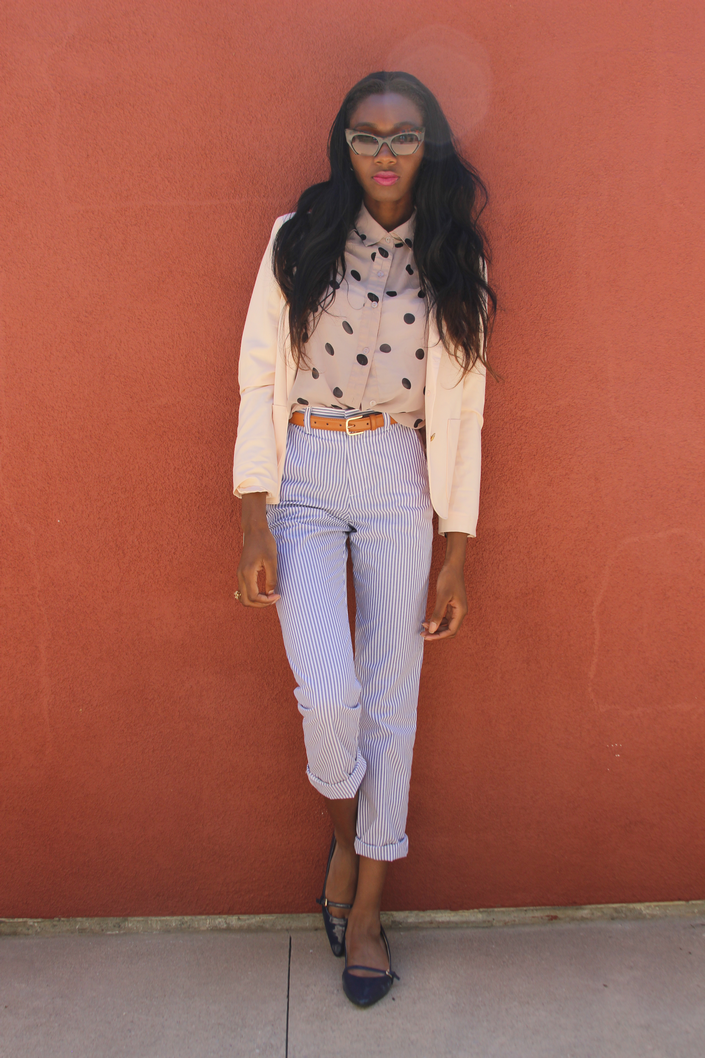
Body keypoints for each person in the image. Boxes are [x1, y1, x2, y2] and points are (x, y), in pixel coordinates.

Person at [232, 70, 496, 1007]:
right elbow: (258, 375)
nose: (384, 153)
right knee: (330, 692)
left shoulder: (455, 254)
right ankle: (346, 834)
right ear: (343, 144)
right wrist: (252, 516)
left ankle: (371, 907)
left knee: (391, 705)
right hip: (304, 468)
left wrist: (456, 550)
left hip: (396, 471)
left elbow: (466, 411)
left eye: (404, 135)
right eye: (366, 135)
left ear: (430, 146)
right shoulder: (295, 237)